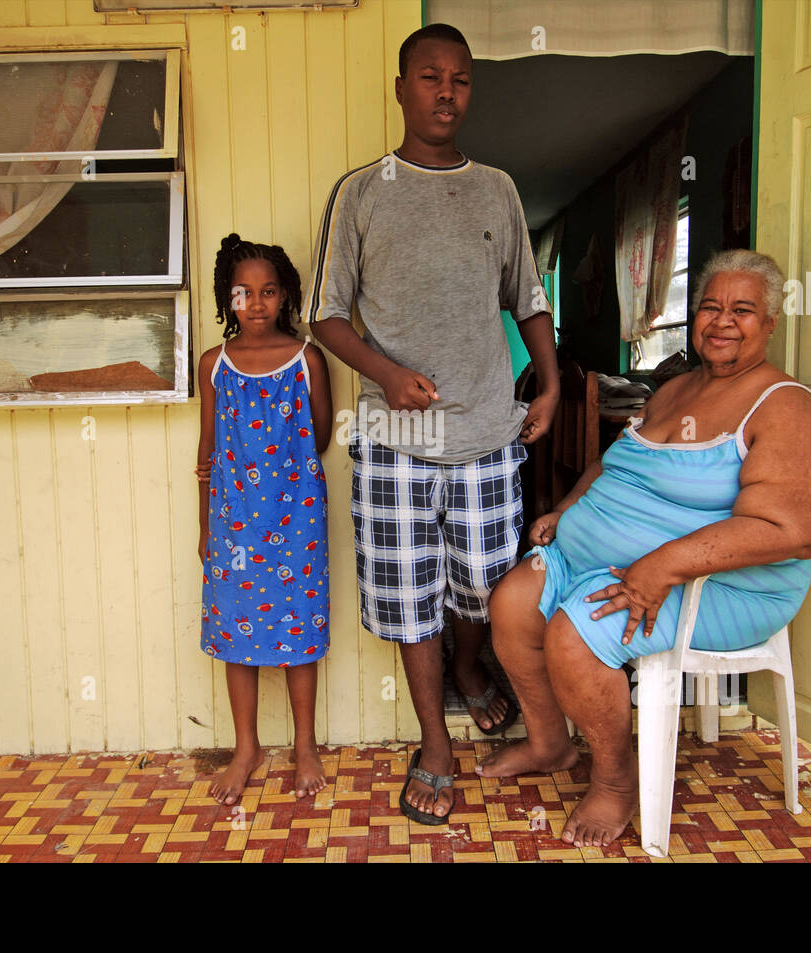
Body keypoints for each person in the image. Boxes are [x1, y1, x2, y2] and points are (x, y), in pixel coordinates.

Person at [476, 249, 811, 849]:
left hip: (718, 586)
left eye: (743, 310)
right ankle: (550, 743)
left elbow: (798, 531)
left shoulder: (783, 405)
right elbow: (614, 466)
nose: (722, 321)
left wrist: (664, 564)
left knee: (575, 635)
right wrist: (567, 511)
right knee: (512, 604)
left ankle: (617, 781)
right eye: (710, 306)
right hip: (611, 560)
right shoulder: (676, 388)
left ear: (771, 323)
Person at [303, 23, 560, 824]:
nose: (447, 92)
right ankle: (435, 743)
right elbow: (325, 315)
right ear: (402, 88)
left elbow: (530, 297)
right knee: (409, 596)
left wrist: (549, 384)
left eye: (460, 80)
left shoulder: (498, 190)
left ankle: (473, 668)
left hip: (487, 428)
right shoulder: (362, 191)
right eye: (430, 77)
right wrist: (383, 373)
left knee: (484, 588)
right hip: (396, 440)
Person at [196, 233, 334, 806]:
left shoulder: (307, 360)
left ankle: (305, 744)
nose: (256, 303)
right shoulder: (214, 365)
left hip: (298, 519)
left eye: (269, 292)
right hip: (233, 527)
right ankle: (246, 746)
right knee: (235, 635)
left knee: (298, 631)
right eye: (243, 293)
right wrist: (204, 530)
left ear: (285, 297)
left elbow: (321, 438)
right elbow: (205, 455)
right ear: (227, 299)